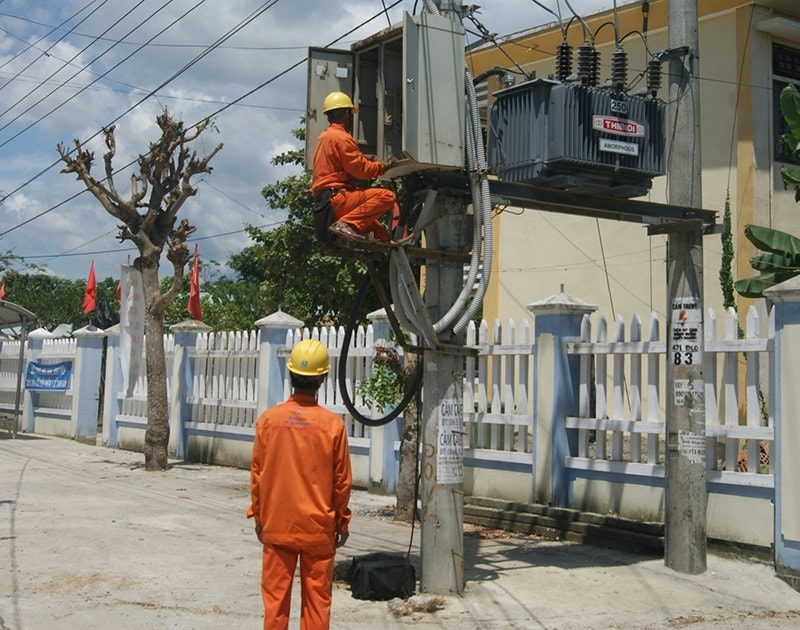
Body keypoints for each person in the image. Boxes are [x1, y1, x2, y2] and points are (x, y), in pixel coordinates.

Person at [247, 339, 352, 630]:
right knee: (317, 603)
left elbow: (258, 475)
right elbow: (341, 482)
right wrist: (341, 522)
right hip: (318, 529)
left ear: (291, 375)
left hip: (277, 525)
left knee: (275, 603)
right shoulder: (333, 426)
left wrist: (258, 516)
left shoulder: (268, 421)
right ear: (323, 378)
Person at [311, 91, 398, 242]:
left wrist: (366, 157)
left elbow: (340, 160)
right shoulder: (342, 138)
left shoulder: (325, 137)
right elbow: (361, 170)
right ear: (346, 114)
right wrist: (384, 166)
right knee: (386, 196)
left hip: (326, 202)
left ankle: (377, 249)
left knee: (380, 236)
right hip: (338, 199)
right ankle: (345, 224)